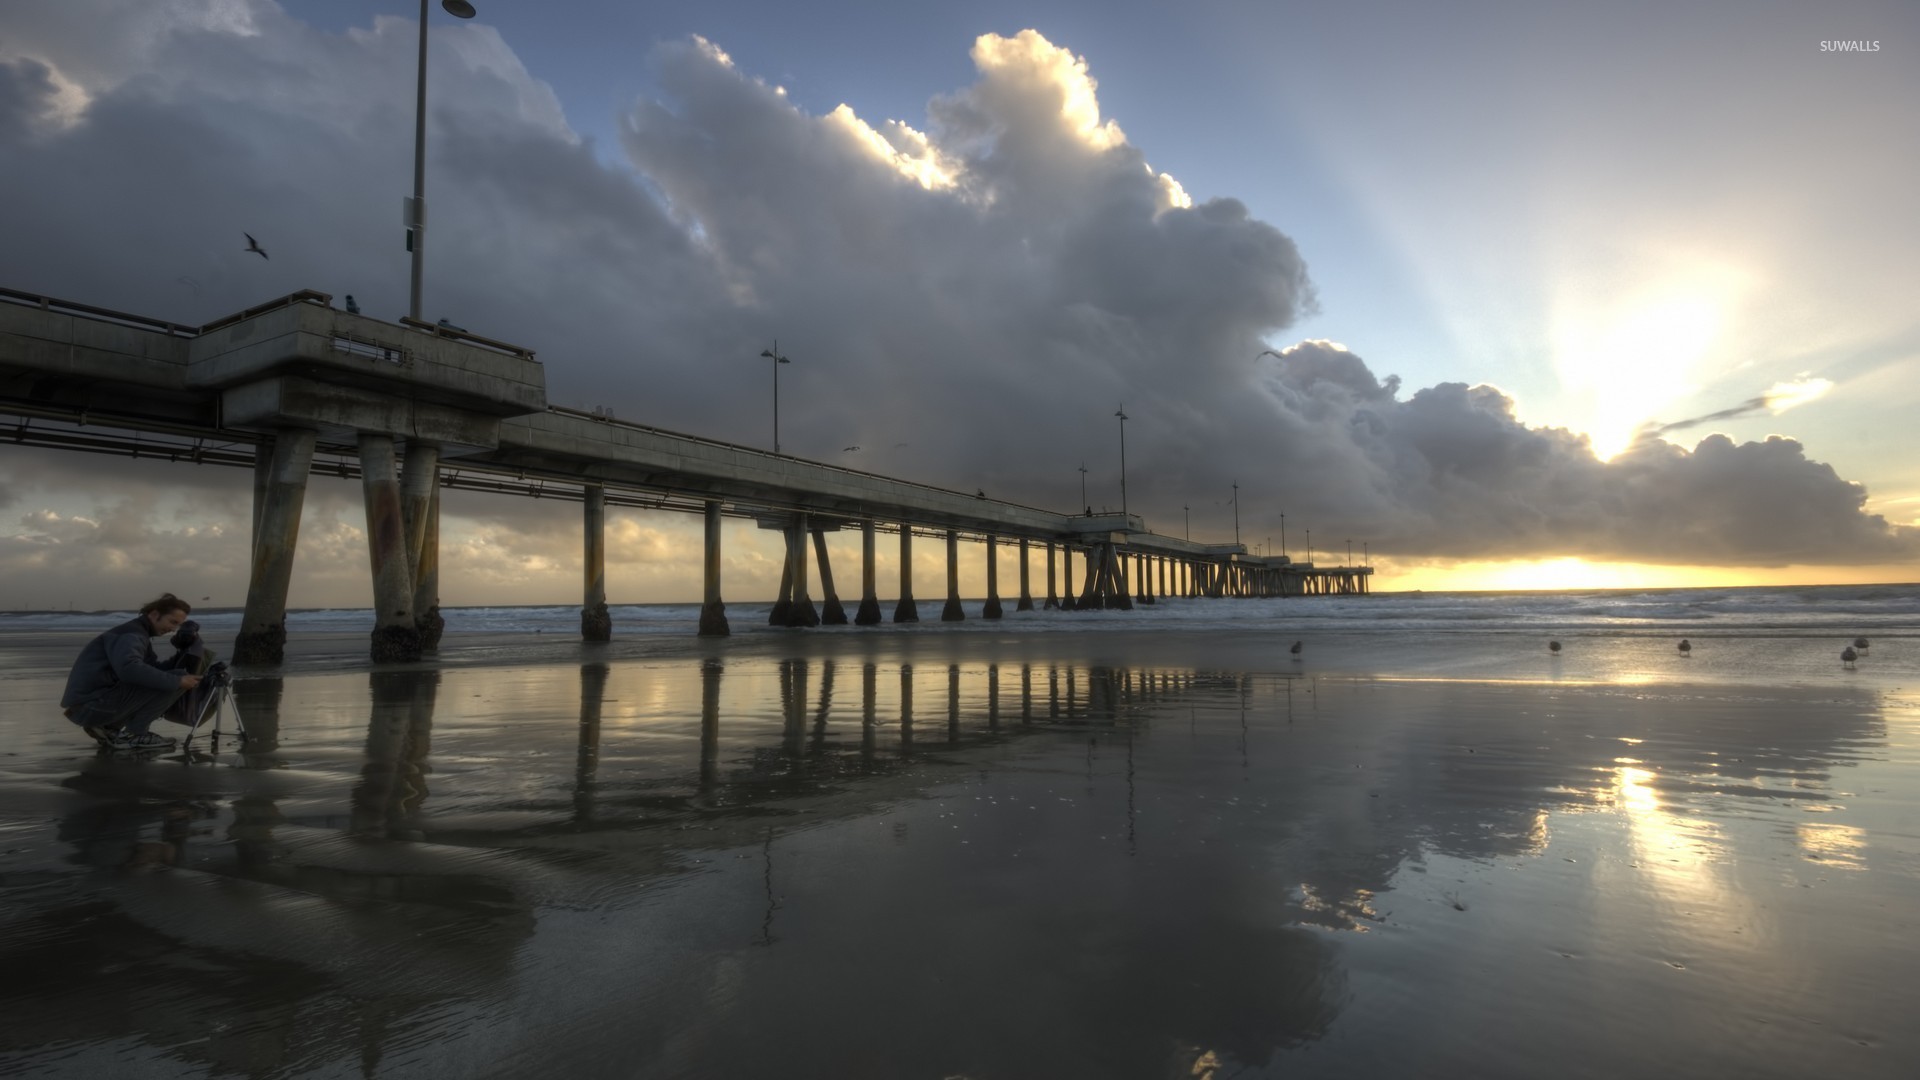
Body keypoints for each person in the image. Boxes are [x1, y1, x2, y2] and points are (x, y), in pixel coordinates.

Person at [61, 593, 205, 752]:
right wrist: (178, 681)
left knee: (175, 676)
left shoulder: (136, 632)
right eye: (172, 622)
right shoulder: (131, 635)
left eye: (178, 625)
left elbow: (151, 669)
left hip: (88, 705)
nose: (173, 629)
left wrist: (184, 653)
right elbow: (129, 669)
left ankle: (108, 728)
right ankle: (136, 734)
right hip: (90, 706)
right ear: (154, 614)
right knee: (176, 679)